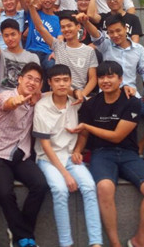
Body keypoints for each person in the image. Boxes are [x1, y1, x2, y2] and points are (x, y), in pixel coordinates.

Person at [69, 61, 144, 247]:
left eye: (110, 76)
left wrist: (87, 126)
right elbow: (83, 134)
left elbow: (117, 136)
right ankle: (115, 243)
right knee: (104, 187)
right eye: (101, 77)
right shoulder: (91, 104)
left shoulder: (131, 102)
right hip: (101, 153)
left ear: (120, 80)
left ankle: (139, 241)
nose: (105, 80)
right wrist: (78, 150)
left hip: (128, 153)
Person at [33, 64, 103, 247]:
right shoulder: (41, 106)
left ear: (71, 81)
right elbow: (45, 144)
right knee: (60, 190)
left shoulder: (77, 103)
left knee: (89, 187)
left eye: (65, 80)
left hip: (71, 155)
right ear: (49, 83)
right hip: (48, 159)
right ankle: (66, 243)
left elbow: (84, 131)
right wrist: (65, 174)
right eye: (57, 81)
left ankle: (96, 242)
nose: (62, 84)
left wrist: (78, 150)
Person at [78, 13, 144, 154]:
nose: (115, 35)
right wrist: (86, 22)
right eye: (111, 32)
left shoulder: (138, 49)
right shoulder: (106, 46)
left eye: (118, 30)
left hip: (132, 98)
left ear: (126, 29)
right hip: (108, 98)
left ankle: (141, 145)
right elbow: (96, 35)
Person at [0, 62, 48, 247]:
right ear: (20, 79)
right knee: (5, 193)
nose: (32, 82)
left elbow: (57, 93)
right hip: (0, 154)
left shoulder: (38, 99)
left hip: (22, 155)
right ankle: (24, 237)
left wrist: (76, 92)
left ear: (40, 85)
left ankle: (19, 232)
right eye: (29, 78)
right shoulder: (6, 95)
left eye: (37, 80)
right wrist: (17, 101)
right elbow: (8, 104)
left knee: (40, 185)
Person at [26, 0, 98, 98]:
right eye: (63, 27)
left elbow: (93, 79)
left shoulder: (89, 51)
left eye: (69, 26)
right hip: (56, 93)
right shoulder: (58, 46)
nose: (66, 29)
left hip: (78, 95)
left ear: (78, 27)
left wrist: (82, 96)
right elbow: (40, 28)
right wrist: (31, 7)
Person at [0, 19, 40, 92]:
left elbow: (38, 80)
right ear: (3, 37)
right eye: (6, 36)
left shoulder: (32, 57)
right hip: (4, 94)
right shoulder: (0, 55)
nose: (10, 38)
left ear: (19, 34)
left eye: (13, 34)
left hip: (26, 94)